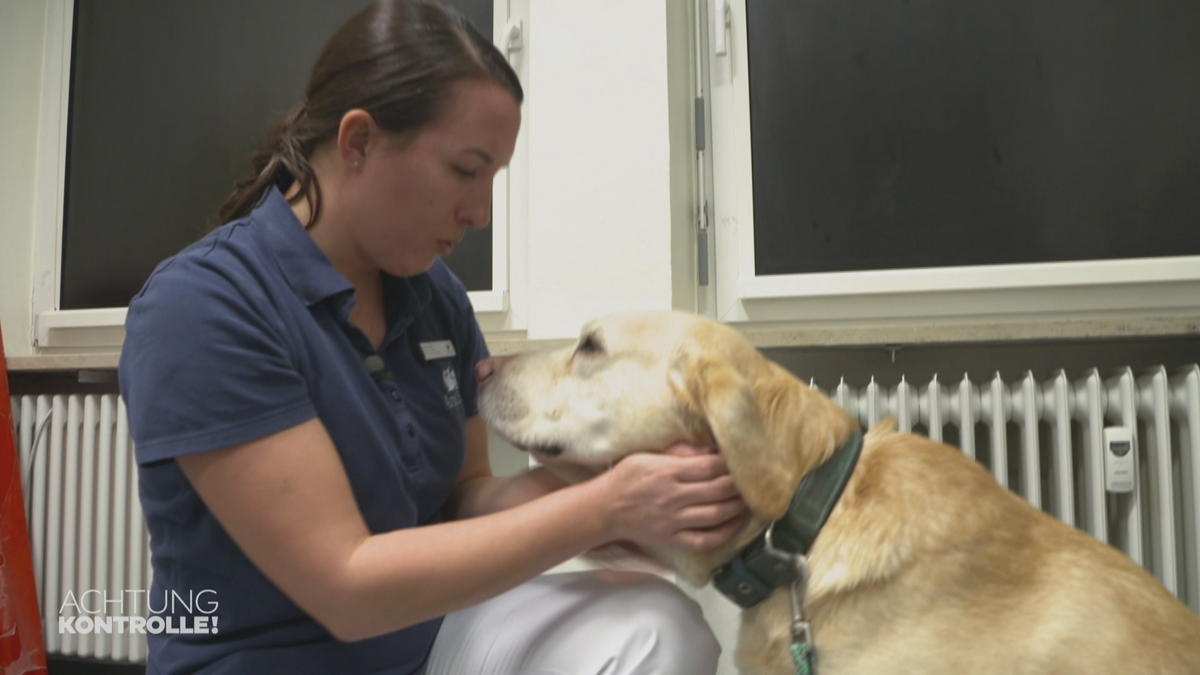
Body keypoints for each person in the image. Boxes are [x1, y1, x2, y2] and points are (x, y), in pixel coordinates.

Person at [118, 2, 747, 674]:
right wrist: (601, 509)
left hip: (427, 639)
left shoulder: (431, 291)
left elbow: (466, 494)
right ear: (359, 141)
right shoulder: (206, 305)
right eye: (465, 171)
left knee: (658, 624)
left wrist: (639, 490)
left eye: (494, 179)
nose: (479, 212)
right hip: (274, 659)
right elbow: (346, 588)